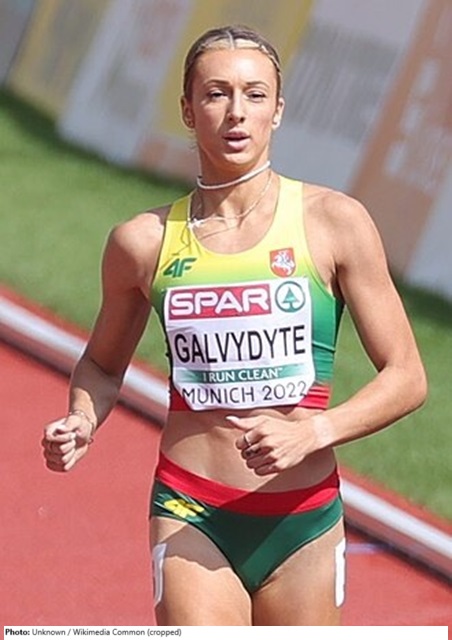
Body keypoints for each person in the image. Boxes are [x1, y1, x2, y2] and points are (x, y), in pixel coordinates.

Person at [42, 25, 427, 626]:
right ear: (187, 110)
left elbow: (407, 377)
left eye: (254, 94)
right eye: (216, 93)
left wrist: (312, 432)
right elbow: (100, 364)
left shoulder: (334, 223)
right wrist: (82, 418)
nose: (236, 112)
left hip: (303, 518)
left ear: (278, 110)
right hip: (191, 510)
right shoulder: (142, 243)